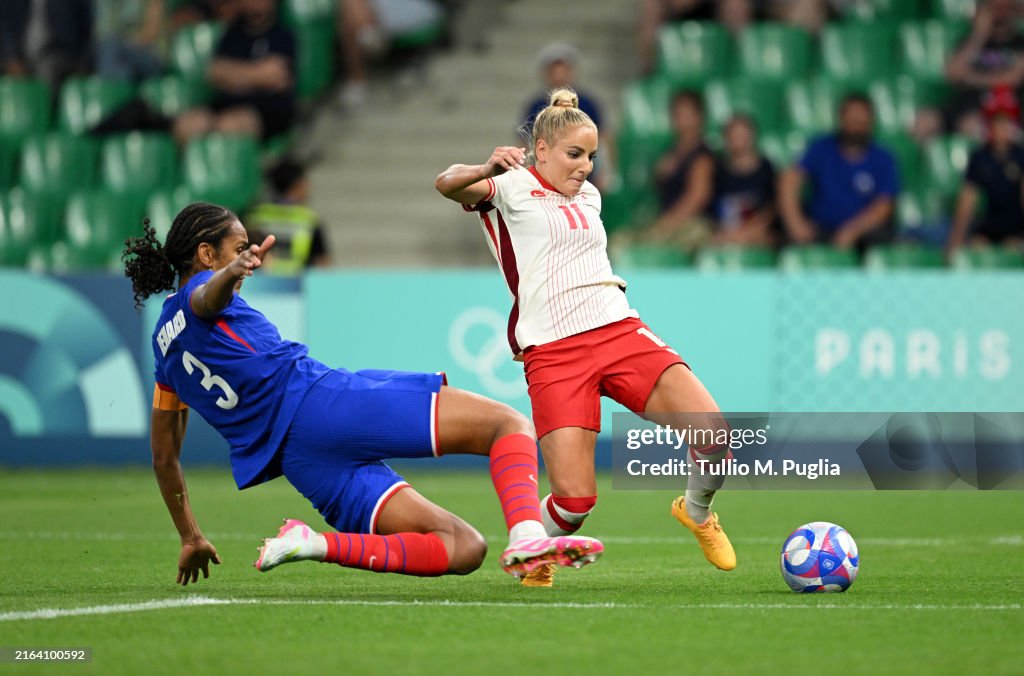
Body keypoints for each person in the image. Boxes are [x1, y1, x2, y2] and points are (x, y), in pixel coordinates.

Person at [122, 202, 602, 586]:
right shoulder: (203, 289)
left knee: (463, 547)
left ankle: (311, 544)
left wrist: (190, 535)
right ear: (206, 256)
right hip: (324, 405)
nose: (248, 261)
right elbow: (208, 298)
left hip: (301, 462)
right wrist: (229, 274)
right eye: (239, 249)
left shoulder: (164, 354)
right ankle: (528, 537)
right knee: (509, 425)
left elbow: (164, 458)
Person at [435, 88, 736, 588]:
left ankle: (698, 512)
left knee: (714, 434)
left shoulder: (590, 195)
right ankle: (537, 552)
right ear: (542, 150)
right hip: (554, 352)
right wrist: (487, 168)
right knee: (574, 502)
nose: (585, 167)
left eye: (592, 156)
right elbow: (446, 184)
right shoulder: (507, 187)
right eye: (575, 155)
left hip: (619, 330)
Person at [779, 93, 899, 252]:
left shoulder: (884, 158)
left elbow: (883, 206)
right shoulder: (821, 148)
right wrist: (795, 222)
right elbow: (790, 180)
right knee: (790, 240)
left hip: (863, 232)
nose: (856, 126)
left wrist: (852, 231)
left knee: (881, 241)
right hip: (822, 229)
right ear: (841, 119)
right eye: (852, 120)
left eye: (861, 121)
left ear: (870, 122)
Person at [174, 0, 296, 143]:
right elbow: (215, 72)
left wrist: (234, 75)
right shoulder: (232, 34)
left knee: (228, 126)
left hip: (266, 113)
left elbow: (276, 76)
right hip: (225, 106)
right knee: (188, 125)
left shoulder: (283, 36)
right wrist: (258, 74)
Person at [947, 86, 1024, 257]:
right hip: (989, 229)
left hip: (1018, 230)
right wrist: (955, 241)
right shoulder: (979, 158)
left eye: (1007, 122)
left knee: (1012, 249)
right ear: (989, 125)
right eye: (998, 122)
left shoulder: (1021, 156)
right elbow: (967, 201)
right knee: (977, 247)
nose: (1002, 128)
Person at [944, 0, 1024, 139]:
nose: (1000, 15)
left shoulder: (1020, 44)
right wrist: (979, 35)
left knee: (973, 125)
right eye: (994, 9)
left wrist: (969, 77)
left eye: (1005, 9)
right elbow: (953, 73)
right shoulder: (969, 42)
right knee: (924, 122)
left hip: (1005, 107)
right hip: (968, 104)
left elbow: (1011, 79)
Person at [645, 90, 714, 247]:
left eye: (687, 114)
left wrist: (664, 226)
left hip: (693, 224)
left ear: (699, 117)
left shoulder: (703, 157)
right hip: (666, 220)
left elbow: (697, 198)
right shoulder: (670, 153)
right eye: (677, 114)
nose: (681, 119)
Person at [245, 158, 330, 273]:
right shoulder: (310, 220)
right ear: (298, 184)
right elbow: (321, 262)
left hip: (261, 284)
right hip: (298, 285)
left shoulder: (254, 215)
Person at [711, 114, 778, 247]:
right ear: (726, 138)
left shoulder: (766, 169)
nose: (739, 140)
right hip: (723, 233)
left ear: (753, 136)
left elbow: (773, 208)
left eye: (743, 135)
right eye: (734, 135)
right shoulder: (716, 170)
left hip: (758, 232)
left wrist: (749, 231)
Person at [95, 0, 166, 82]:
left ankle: (112, 86)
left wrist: (125, 44)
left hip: (150, 54)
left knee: (111, 46)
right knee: (120, 66)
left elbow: (151, 32)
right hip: (123, 55)